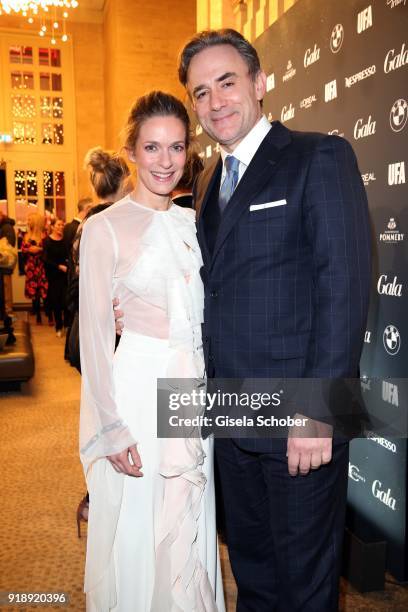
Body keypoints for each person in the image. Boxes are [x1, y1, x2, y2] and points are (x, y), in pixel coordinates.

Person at [176, 29, 371, 611]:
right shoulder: (208, 180)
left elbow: (344, 287)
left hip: (299, 423)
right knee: (254, 577)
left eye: (227, 82)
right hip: (231, 419)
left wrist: (317, 411)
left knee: (306, 588)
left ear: (260, 84)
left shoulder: (319, 156)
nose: (215, 102)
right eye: (200, 92)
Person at [79, 91, 224, 611]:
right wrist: (108, 425)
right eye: (152, 148)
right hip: (138, 389)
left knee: (188, 510)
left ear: (188, 151)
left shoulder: (195, 222)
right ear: (132, 151)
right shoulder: (103, 229)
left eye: (177, 147)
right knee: (142, 519)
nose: (166, 161)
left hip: (191, 391)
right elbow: (95, 339)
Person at [43, 218, 69, 337]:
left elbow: (69, 256)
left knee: (66, 301)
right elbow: (46, 260)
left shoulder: (65, 241)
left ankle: (66, 325)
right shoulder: (47, 241)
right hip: (54, 275)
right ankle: (58, 326)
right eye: (58, 225)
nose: (60, 227)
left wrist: (68, 266)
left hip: (65, 275)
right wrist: (59, 266)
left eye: (62, 225)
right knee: (56, 302)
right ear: (52, 226)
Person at [22, 212, 48, 324]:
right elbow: (23, 250)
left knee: (44, 289)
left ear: (35, 222)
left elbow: (48, 251)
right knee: (35, 293)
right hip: (31, 266)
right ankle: (37, 314)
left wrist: (39, 249)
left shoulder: (44, 235)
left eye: (29, 220)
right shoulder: (26, 236)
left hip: (42, 266)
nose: (28, 222)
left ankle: (48, 312)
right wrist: (29, 250)